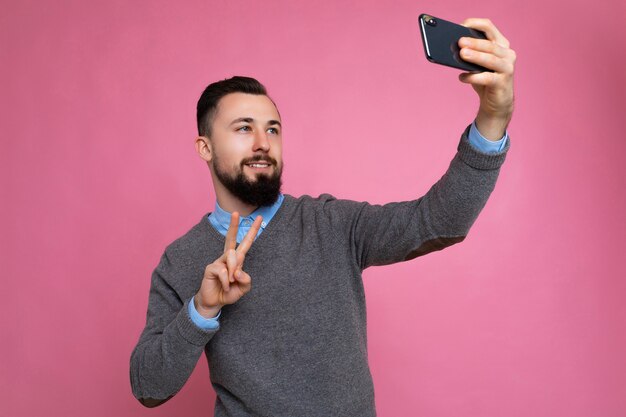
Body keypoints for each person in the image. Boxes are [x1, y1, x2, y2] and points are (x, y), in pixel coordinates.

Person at [130, 18, 516, 417]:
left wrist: (492, 118)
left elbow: (439, 221)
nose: (264, 144)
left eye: (273, 129)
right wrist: (202, 309)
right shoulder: (180, 260)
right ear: (205, 148)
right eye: (244, 128)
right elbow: (148, 386)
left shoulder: (331, 224)